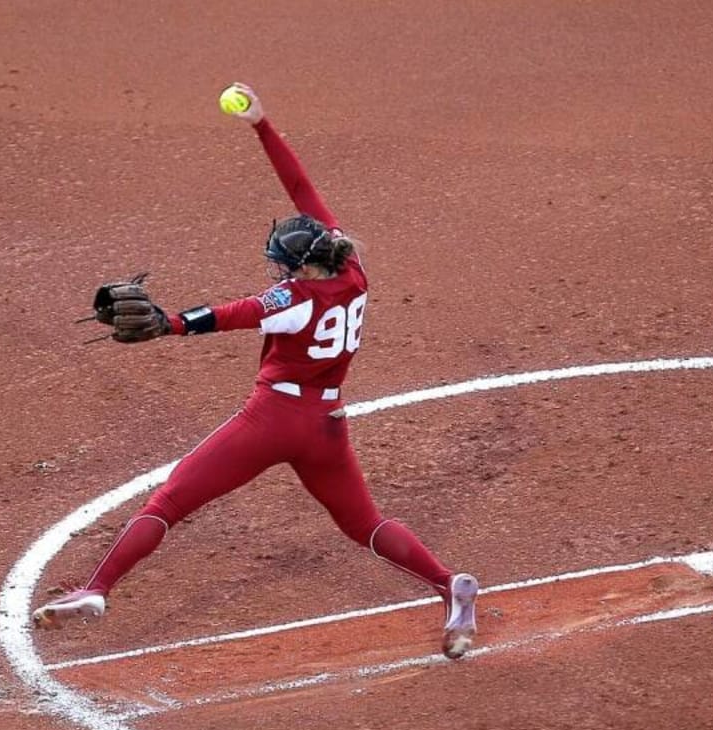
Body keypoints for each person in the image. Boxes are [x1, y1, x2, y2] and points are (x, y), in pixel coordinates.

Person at [32, 83, 478, 660]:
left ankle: (95, 588)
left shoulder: (292, 298)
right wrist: (262, 125)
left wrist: (167, 322)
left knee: (167, 502)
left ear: (297, 264)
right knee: (364, 523)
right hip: (327, 424)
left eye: (277, 263)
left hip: (272, 419)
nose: (272, 269)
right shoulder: (353, 268)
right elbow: (302, 189)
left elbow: (226, 315)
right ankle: (451, 586)